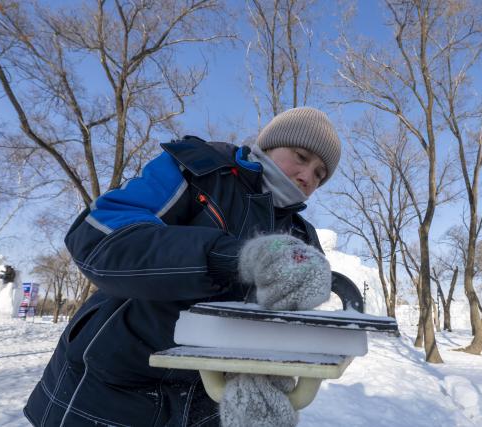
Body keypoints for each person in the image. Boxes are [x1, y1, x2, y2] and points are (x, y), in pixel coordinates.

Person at [24, 107, 342, 427]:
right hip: (112, 390)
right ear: (270, 144)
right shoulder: (199, 168)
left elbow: (282, 328)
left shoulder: (302, 237)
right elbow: (99, 237)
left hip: (209, 403)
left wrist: (269, 379)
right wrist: (228, 257)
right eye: (301, 157)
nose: (307, 178)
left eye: (319, 174)